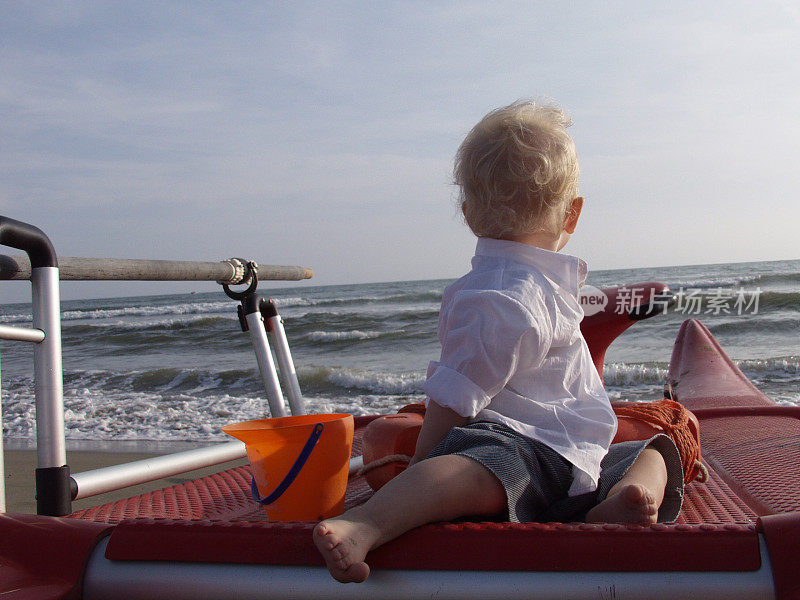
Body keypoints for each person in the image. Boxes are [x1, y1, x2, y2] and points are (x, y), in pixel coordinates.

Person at [313, 99, 684, 584]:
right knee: (647, 453)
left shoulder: (499, 292)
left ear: (468, 214)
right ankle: (621, 500)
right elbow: (472, 392)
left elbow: (454, 395)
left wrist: (426, 464)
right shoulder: (527, 291)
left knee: (473, 464)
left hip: (548, 456)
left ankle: (364, 525)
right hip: (552, 454)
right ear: (572, 215)